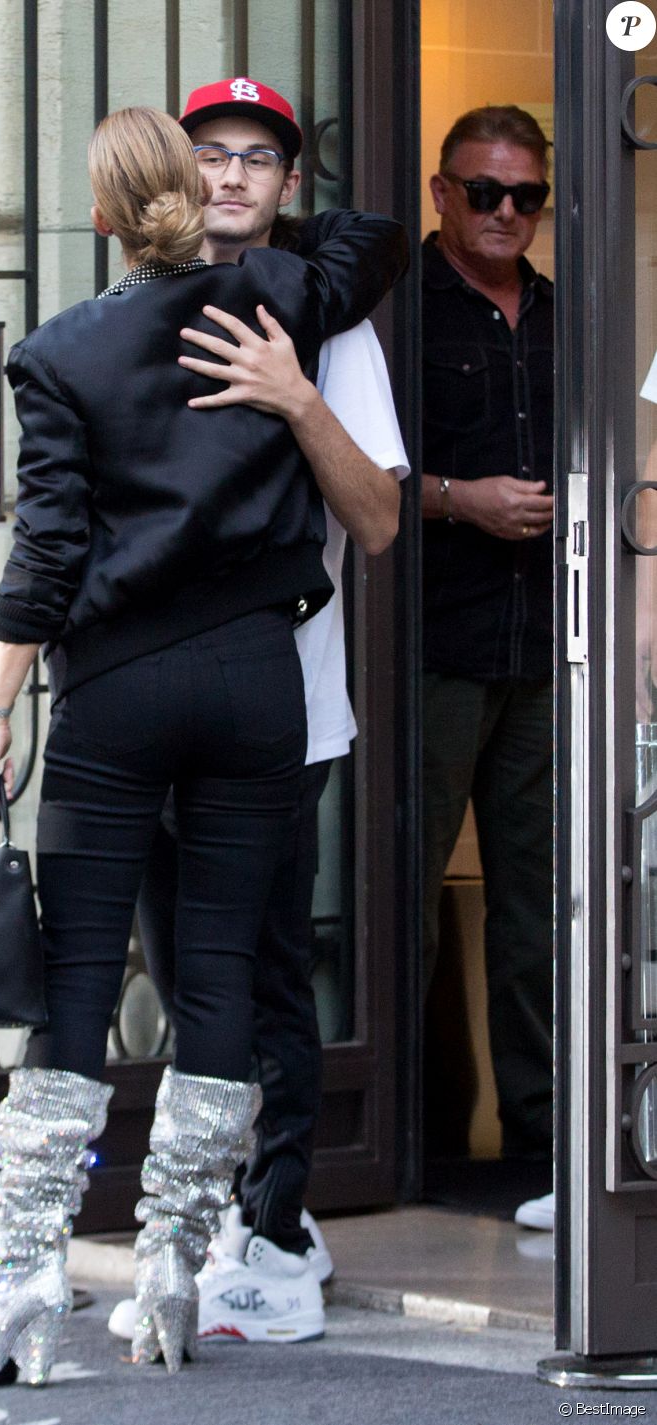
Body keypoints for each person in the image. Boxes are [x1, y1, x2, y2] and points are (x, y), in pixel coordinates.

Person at [0, 105, 407, 1389]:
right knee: (216, 980)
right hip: (256, 683)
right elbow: (369, 241)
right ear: (190, 201)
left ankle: (23, 1290)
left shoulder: (60, 354)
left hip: (121, 693)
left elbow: (43, 559)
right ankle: (171, 1274)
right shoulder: (272, 300)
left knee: (79, 982)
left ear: (97, 218)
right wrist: (262, 230)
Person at [105, 77, 409, 1347]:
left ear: (288, 187)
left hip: (285, 711)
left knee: (267, 974)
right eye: (208, 153)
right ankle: (229, 1205)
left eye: (257, 158)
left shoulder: (328, 328)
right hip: (144, 711)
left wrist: (294, 398)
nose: (230, 174)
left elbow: (381, 520)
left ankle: (278, 1237)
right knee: (183, 976)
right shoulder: (124, 320)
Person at [419, 106, 555, 1229]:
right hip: (430, 643)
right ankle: (407, 1141)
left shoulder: (568, 313)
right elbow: (353, 464)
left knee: (539, 905)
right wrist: (457, 501)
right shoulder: (391, 308)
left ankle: (545, 1149)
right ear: (439, 194)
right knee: (402, 899)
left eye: (525, 197)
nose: (504, 214)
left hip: (551, 646)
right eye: (483, 193)